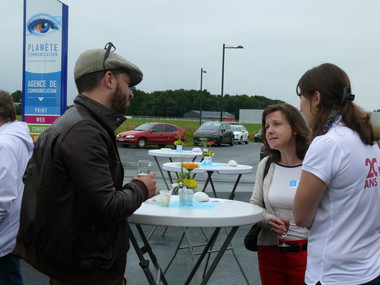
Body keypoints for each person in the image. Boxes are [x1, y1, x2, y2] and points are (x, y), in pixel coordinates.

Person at [13, 42, 157, 285]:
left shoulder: (73, 122)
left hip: (70, 265)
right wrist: (141, 188)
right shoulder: (85, 130)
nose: (131, 92)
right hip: (84, 270)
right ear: (109, 79)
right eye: (128, 84)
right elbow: (106, 208)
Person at [293, 63, 380, 285]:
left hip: (334, 274)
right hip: (370, 268)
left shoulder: (327, 144)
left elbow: (301, 217)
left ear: (316, 98)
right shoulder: (366, 140)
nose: (300, 106)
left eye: (301, 96)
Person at [250, 103, 310, 285]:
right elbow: (254, 205)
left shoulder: (314, 164)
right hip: (270, 251)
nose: (269, 131)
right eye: (267, 126)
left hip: (309, 253)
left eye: (276, 124)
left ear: (296, 129)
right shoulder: (266, 165)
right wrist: (266, 219)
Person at [0, 90, 33, 285]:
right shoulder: (17, 138)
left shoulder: (4, 144)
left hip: (4, 235)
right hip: (12, 230)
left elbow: (2, 197)